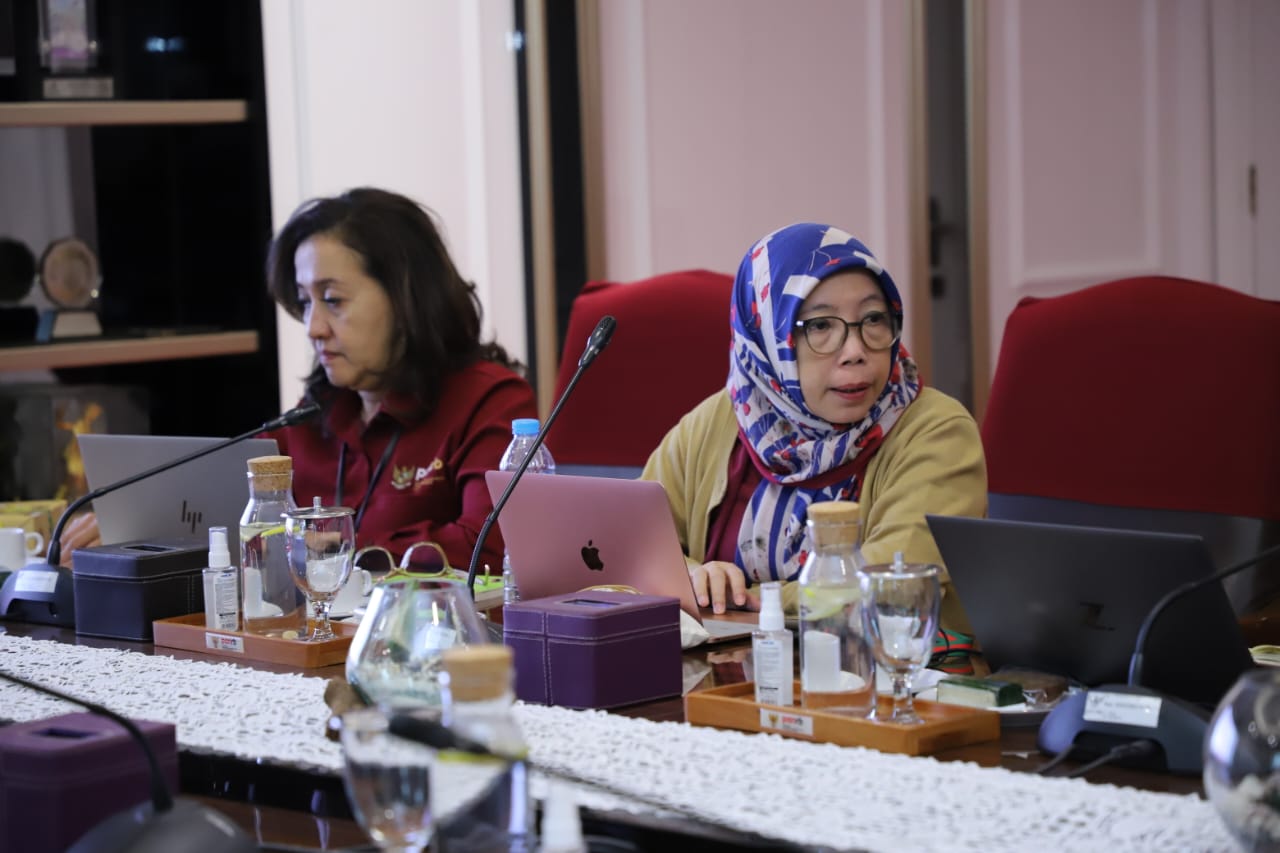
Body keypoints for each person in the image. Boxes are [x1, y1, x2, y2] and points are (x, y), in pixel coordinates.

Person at [58, 188, 535, 573]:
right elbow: (224, 518)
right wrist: (132, 531)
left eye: (333, 300)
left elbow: (492, 546)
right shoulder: (312, 414)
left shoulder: (489, 401)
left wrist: (342, 544)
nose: (313, 327)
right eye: (305, 302)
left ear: (407, 299)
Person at [640, 222, 986, 634]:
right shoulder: (721, 421)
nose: (856, 352)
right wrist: (695, 577)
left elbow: (887, 586)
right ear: (766, 336)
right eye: (821, 326)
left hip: (887, 682)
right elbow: (636, 545)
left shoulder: (937, 432)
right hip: (727, 682)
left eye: (874, 319)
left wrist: (742, 600)